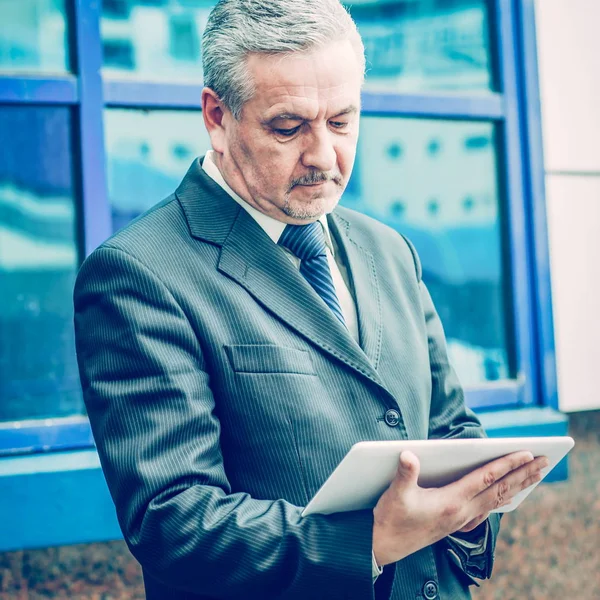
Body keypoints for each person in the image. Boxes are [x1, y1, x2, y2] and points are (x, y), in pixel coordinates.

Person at [73, 1, 548, 598]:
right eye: (289, 127)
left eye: (343, 122)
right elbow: (174, 521)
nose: (324, 156)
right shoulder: (138, 274)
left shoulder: (389, 248)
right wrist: (370, 541)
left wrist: (476, 501)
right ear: (217, 116)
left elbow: (449, 428)